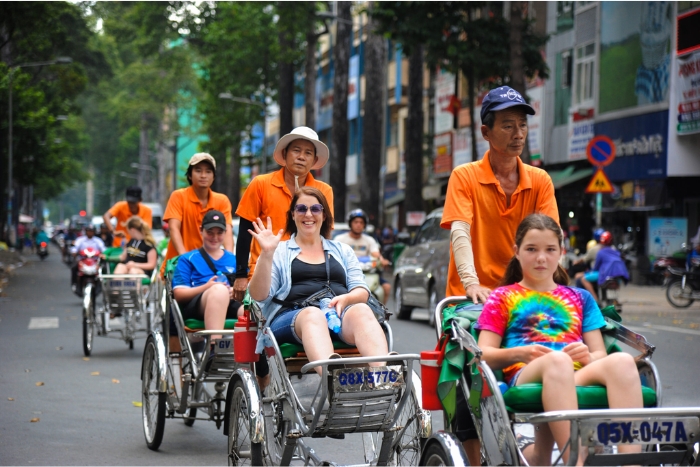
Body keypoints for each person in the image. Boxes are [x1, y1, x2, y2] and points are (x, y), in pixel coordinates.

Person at [439, 85, 560, 463]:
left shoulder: (539, 180)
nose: (518, 133)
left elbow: (550, 239)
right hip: (470, 298)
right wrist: (472, 281)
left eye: (522, 125)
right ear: (486, 132)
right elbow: (460, 231)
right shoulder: (465, 176)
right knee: (465, 390)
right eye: (508, 125)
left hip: (522, 294)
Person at [475, 214, 643, 465]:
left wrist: (588, 356)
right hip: (527, 372)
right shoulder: (502, 297)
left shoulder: (581, 297)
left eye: (550, 250)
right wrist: (521, 353)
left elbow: (599, 354)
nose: (541, 258)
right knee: (557, 362)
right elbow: (482, 353)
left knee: (622, 362)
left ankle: (632, 462)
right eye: (531, 249)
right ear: (517, 252)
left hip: (573, 372)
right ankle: (576, 461)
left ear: (561, 252)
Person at [248, 187, 388, 374]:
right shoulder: (280, 251)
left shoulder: (342, 250)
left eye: (315, 209)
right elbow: (259, 296)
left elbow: (361, 290)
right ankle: (331, 381)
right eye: (301, 209)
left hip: (338, 314)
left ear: (323, 215)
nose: (308, 214)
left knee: (362, 309)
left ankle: (382, 377)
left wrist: (346, 299)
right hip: (293, 317)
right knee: (312, 314)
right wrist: (266, 254)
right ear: (292, 214)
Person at [233, 126, 334, 303]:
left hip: (306, 274)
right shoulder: (260, 184)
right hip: (264, 272)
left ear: (314, 159)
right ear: (285, 153)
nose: (301, 157)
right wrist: (241, 274)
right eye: (296, 150)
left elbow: (325, 235)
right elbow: (244, 232)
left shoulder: (324, 191)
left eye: (308, 153)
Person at [172, 210, 242, 347]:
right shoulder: (187, 259)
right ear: (201, 230)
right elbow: (179, 294)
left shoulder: (234, 260)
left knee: (252, 309)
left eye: (219, 233)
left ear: (226, 232)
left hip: (230, 301)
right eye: (210, 232)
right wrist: (208, 287)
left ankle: (253, 358)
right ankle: (214, 349)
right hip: (198, 304)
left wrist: (235, 291)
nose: (214, 237)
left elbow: (247, 288)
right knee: (218, 290)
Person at [161, 153, 233, 277]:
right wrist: (186, 260)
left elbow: (227, 232)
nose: (203, 175)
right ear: (190, 174)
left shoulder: (222, 200)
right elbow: (174, 229)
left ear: (214, 176)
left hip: (210, 268)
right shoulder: (178, 196)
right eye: (198, 171)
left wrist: (229, 261)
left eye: (208, 171)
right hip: (179, 266)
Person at [334, 209, 392, 303]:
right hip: (345, 274)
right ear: (350, 223)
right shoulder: (339, 239)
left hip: (367, 273)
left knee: (386, 287)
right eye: (356, 222)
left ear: (364, 225)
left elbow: (376, 254)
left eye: (361, 222)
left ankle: (382, 315)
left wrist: (382, 260)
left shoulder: (369, 240)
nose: (358, 225)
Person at [577, 231, 629, 299]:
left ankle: (595, 300)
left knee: (583, 279)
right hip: (617, 276)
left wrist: (591, 271)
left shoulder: (600, 251)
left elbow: (596, 267)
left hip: (604, 274)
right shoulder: (615, 251)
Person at [71, 225, 106, 292]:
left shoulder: (98, 240)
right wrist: (74, 252)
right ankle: (75, 284)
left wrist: (104, 254)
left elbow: (103, 249)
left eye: (92, 231)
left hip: (95, 261)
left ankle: (103, 285)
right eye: (89, 231)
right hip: (83, 260)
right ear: (86, 231)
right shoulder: (80, 240)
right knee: (74, 267)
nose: (90, 233)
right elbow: (75, 248)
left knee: (104, 268)